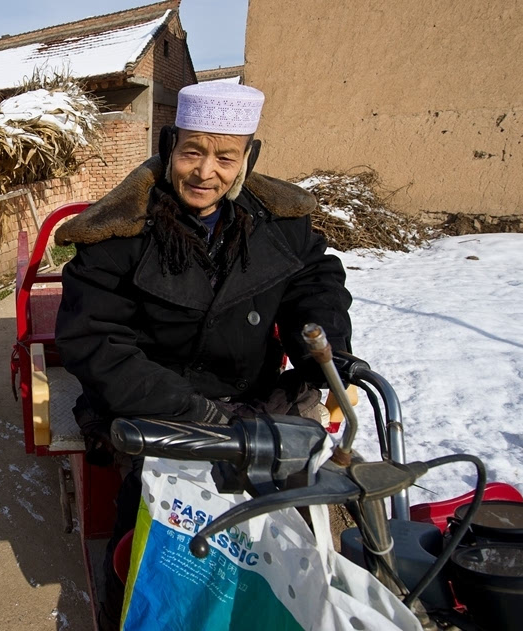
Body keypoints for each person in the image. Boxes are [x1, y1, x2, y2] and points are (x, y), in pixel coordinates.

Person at [54, 82, 353, 629]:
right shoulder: (118, 232)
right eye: (192, 152)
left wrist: (325, 348)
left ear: (248, 158)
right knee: (148, 538)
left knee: (289, 528)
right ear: (170, 146)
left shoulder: (278, 220)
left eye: (224, 156)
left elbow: (315, 280)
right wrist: (189, 410)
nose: (204, 172)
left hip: (254, 395)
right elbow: (94, 340)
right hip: (156, 404)